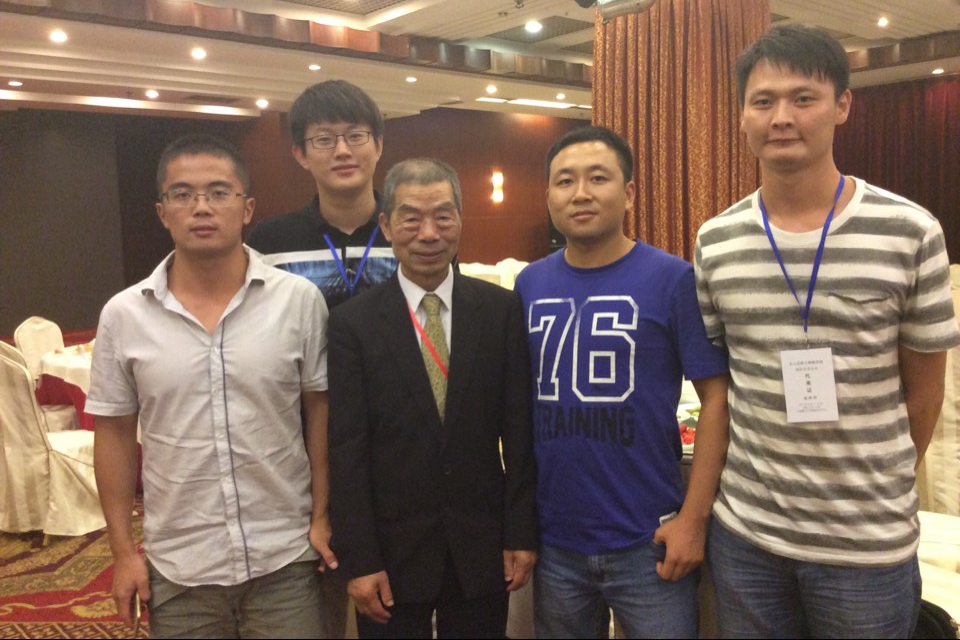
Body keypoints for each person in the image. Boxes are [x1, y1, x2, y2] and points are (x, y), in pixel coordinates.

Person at [694, 23, 960, 638]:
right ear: (742, 117)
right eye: (763, 101)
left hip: (866, 547)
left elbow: (925, 395)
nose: (781, 117)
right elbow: (723, 387)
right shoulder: (716, 241)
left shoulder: (910, 231)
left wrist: (872, 488)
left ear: (842, 106)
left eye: (803, 98)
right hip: (748, 538)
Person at [88, 134, 335, 638]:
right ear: (163, 212)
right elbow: (113, 433)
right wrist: (122, 552)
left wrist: (322, 516)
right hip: (180, 567)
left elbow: (319, 413)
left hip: (284, 558)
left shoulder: (298, 301)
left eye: (219, 192)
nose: (201, 207)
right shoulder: (124, 315)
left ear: (247, 209)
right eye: (183, 194)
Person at [513, 125, 730, 639]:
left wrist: (693, 519)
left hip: (648, 540)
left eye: (598, 178)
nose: (580, 193)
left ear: (629, 193)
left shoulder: (672, 279)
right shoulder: (529, 284)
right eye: (565, 181)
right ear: (548, 196)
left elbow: (717, 400)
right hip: (555, 542)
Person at [327, 158, 538, 639]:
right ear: (386, 226)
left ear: (460, 220)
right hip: (390, 551)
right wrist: (360, 558)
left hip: (482, 545)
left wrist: (520, 532)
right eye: (411, 218)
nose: (428, 233)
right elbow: (347, 449)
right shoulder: (352, 324)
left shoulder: (500, 310)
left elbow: (519, 433)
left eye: (443, 216)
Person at [247, 79, 398, 311]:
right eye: (324, 140)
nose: (342, 151)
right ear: (301, 155)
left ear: (378, 146)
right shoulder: (269, 241)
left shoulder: (409, 231)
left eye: (355, 136)